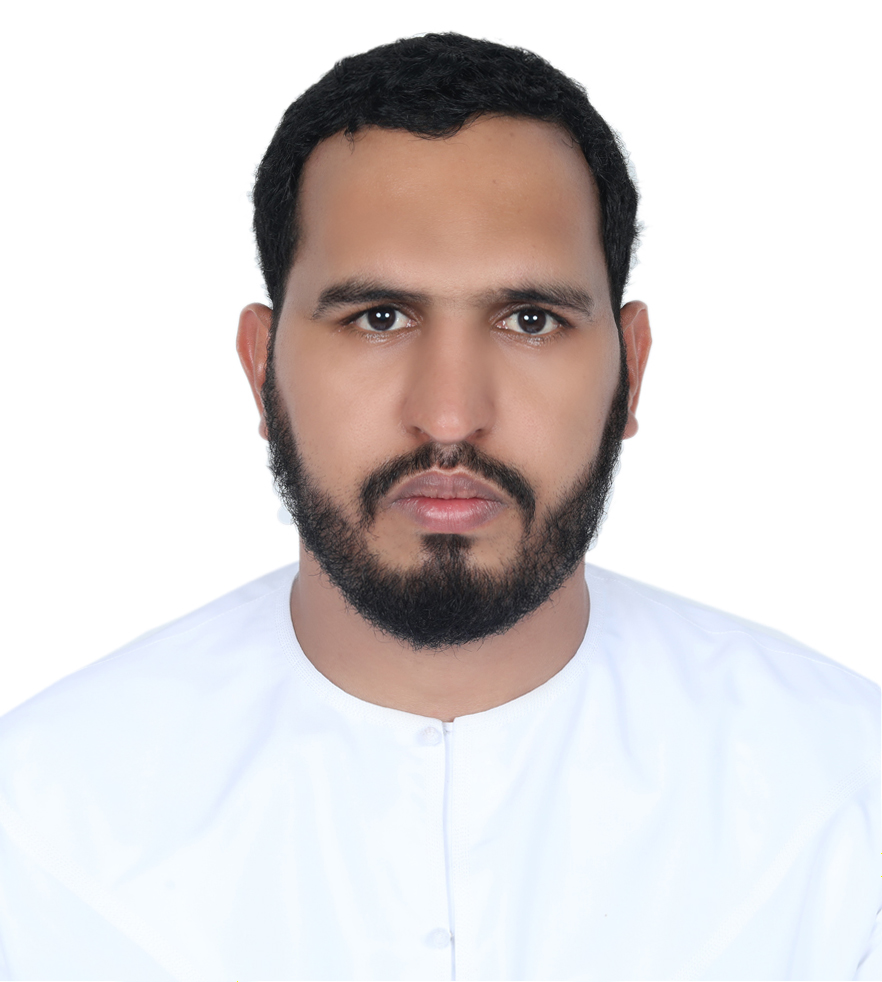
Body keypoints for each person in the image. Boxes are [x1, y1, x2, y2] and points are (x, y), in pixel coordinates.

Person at [0, 31, 877, 982]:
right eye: (378, 318)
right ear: (261, 370)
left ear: (631, 370)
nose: (451, 416)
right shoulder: (41, 832)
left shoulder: (844, 802)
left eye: (530, 320)